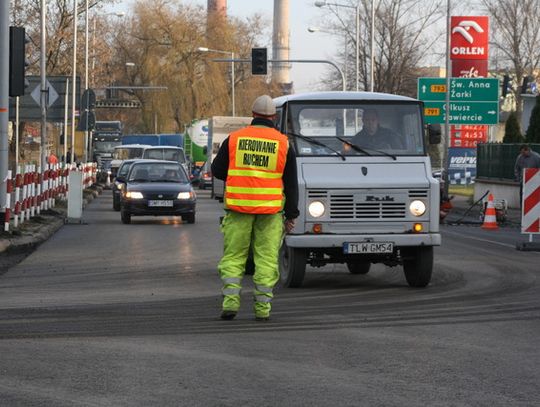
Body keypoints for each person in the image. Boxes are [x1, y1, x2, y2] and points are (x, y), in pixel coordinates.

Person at [211, 95, 299, 322]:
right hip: (270, 214)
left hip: (238, 210)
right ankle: (262, 309)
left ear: (253, 115)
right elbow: (291, 184)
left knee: (234, 257)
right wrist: (291, 215)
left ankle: (230, 303)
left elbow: (218, 171)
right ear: (273, 117)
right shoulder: (283, 143)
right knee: (267, 259)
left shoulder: (234, 139)